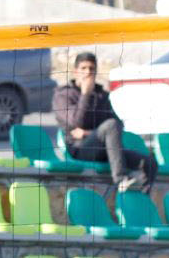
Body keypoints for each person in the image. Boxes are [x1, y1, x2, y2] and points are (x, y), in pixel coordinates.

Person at [52, 52, 154, 193]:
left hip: (106, 150)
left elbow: (118, 125)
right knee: (110, 125)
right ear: (75, 72)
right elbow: (76, 122)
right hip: (79, 149)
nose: (88, 72)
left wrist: (88, 133)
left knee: (149, 163)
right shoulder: (63, 95)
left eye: (91, 69)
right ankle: (120, 179)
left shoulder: (101, 96)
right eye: (83, 68)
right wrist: (85, 94)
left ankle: (140, 201)